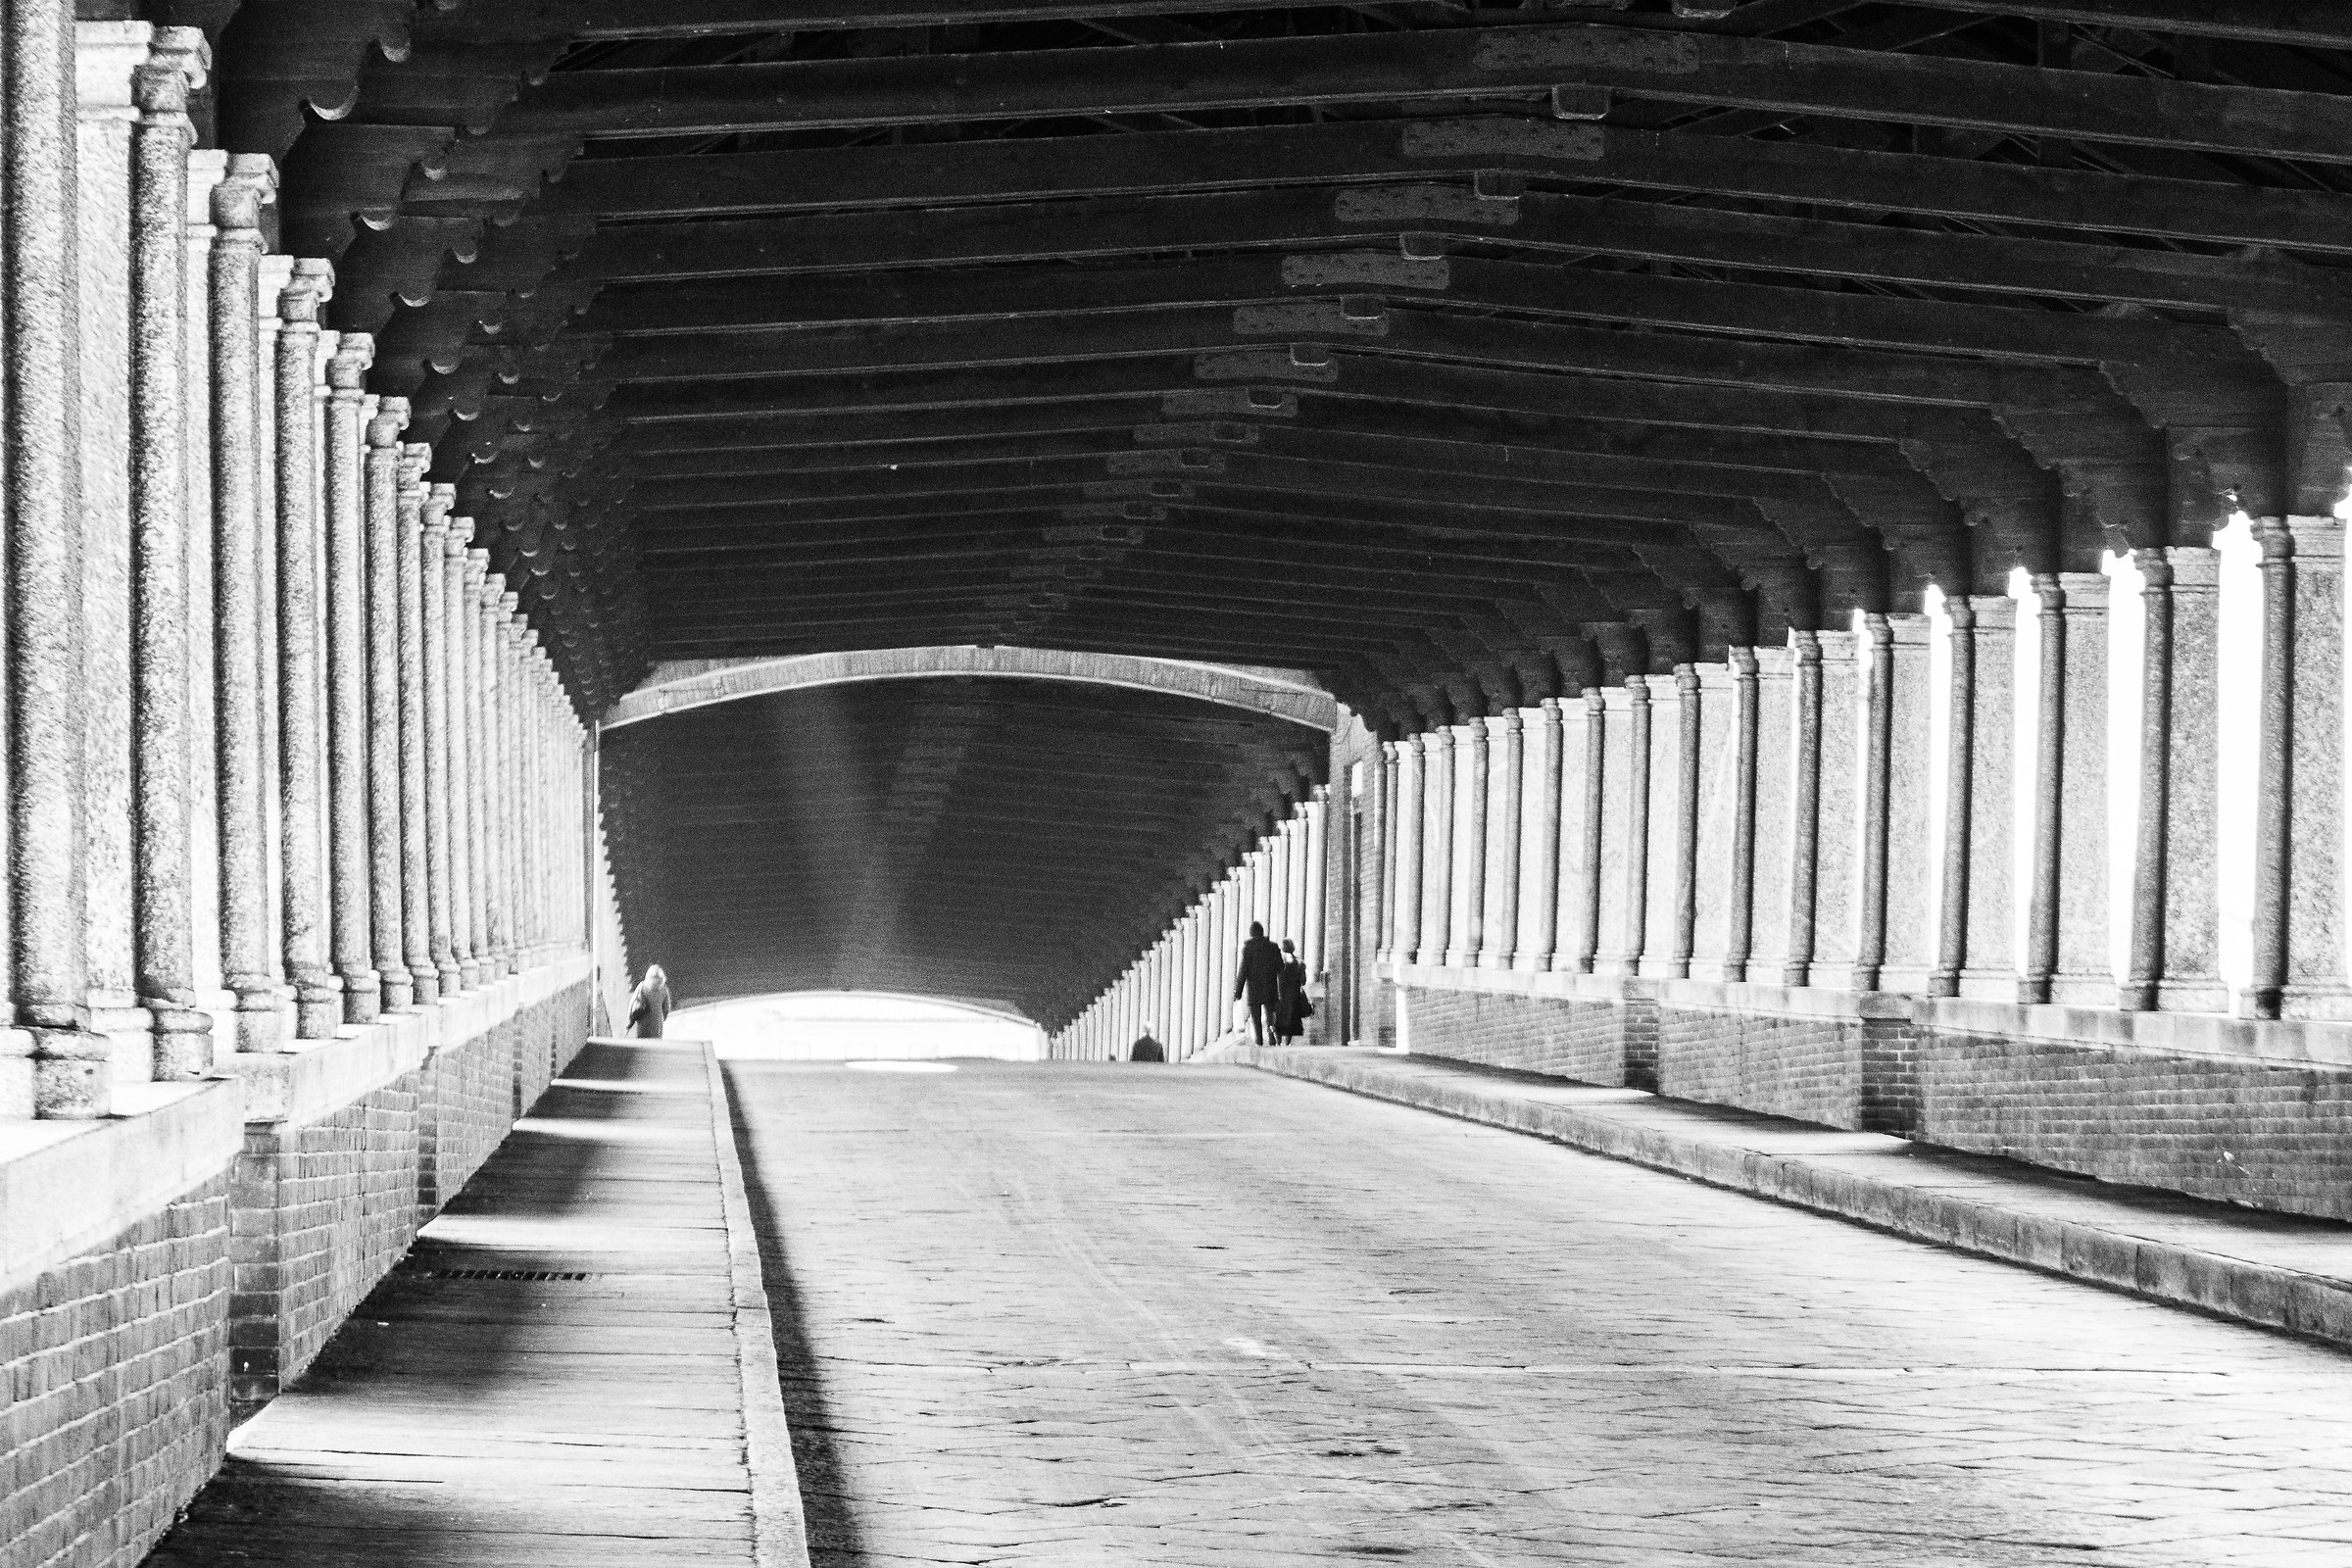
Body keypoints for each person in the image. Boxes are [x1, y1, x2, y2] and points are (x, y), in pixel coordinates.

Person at [1234, 921, 1283, 1046]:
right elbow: (1280, 967)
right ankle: (1271, 1035)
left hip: (1254, 988)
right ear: (1262, 932)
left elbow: (1243, 970)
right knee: (1270, 1014)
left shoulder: (1248, 949)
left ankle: (1259, 1040)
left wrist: (1238, 991)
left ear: (1251, 933)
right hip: (1270, 986)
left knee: (1256, 1016)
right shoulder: (1273, 947)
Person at [1274, 939, 1313, 1042]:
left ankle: (1278, 1042)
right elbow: (1303, 981)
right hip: (1293, 996)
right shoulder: (1299, 963)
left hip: (1279, 995)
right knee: (1291, 1019)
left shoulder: (1276, 962)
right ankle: (1287, 1043)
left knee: (1279, 1018)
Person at [627, 963, 670, 1039]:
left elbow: (632, 1003)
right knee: (655, 1044)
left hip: (642, 1022)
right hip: (657, 1023)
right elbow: (666, 1008)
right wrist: (662, 1018)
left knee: (642, 1043)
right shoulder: (663, 989)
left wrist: (630, 1020)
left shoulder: (642, 986)